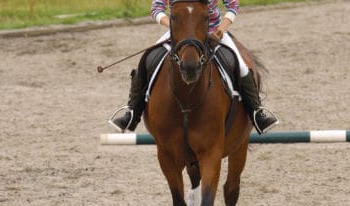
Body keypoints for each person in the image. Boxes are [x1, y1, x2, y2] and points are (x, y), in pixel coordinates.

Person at [109, 0, 279, 135]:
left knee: (241, 66)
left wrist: (220, 30)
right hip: (180, 34)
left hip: (213, 31)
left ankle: (256, 111)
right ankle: (132, 112)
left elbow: (232, 5)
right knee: (146, 61)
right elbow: (156, 8)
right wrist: (173, 25)